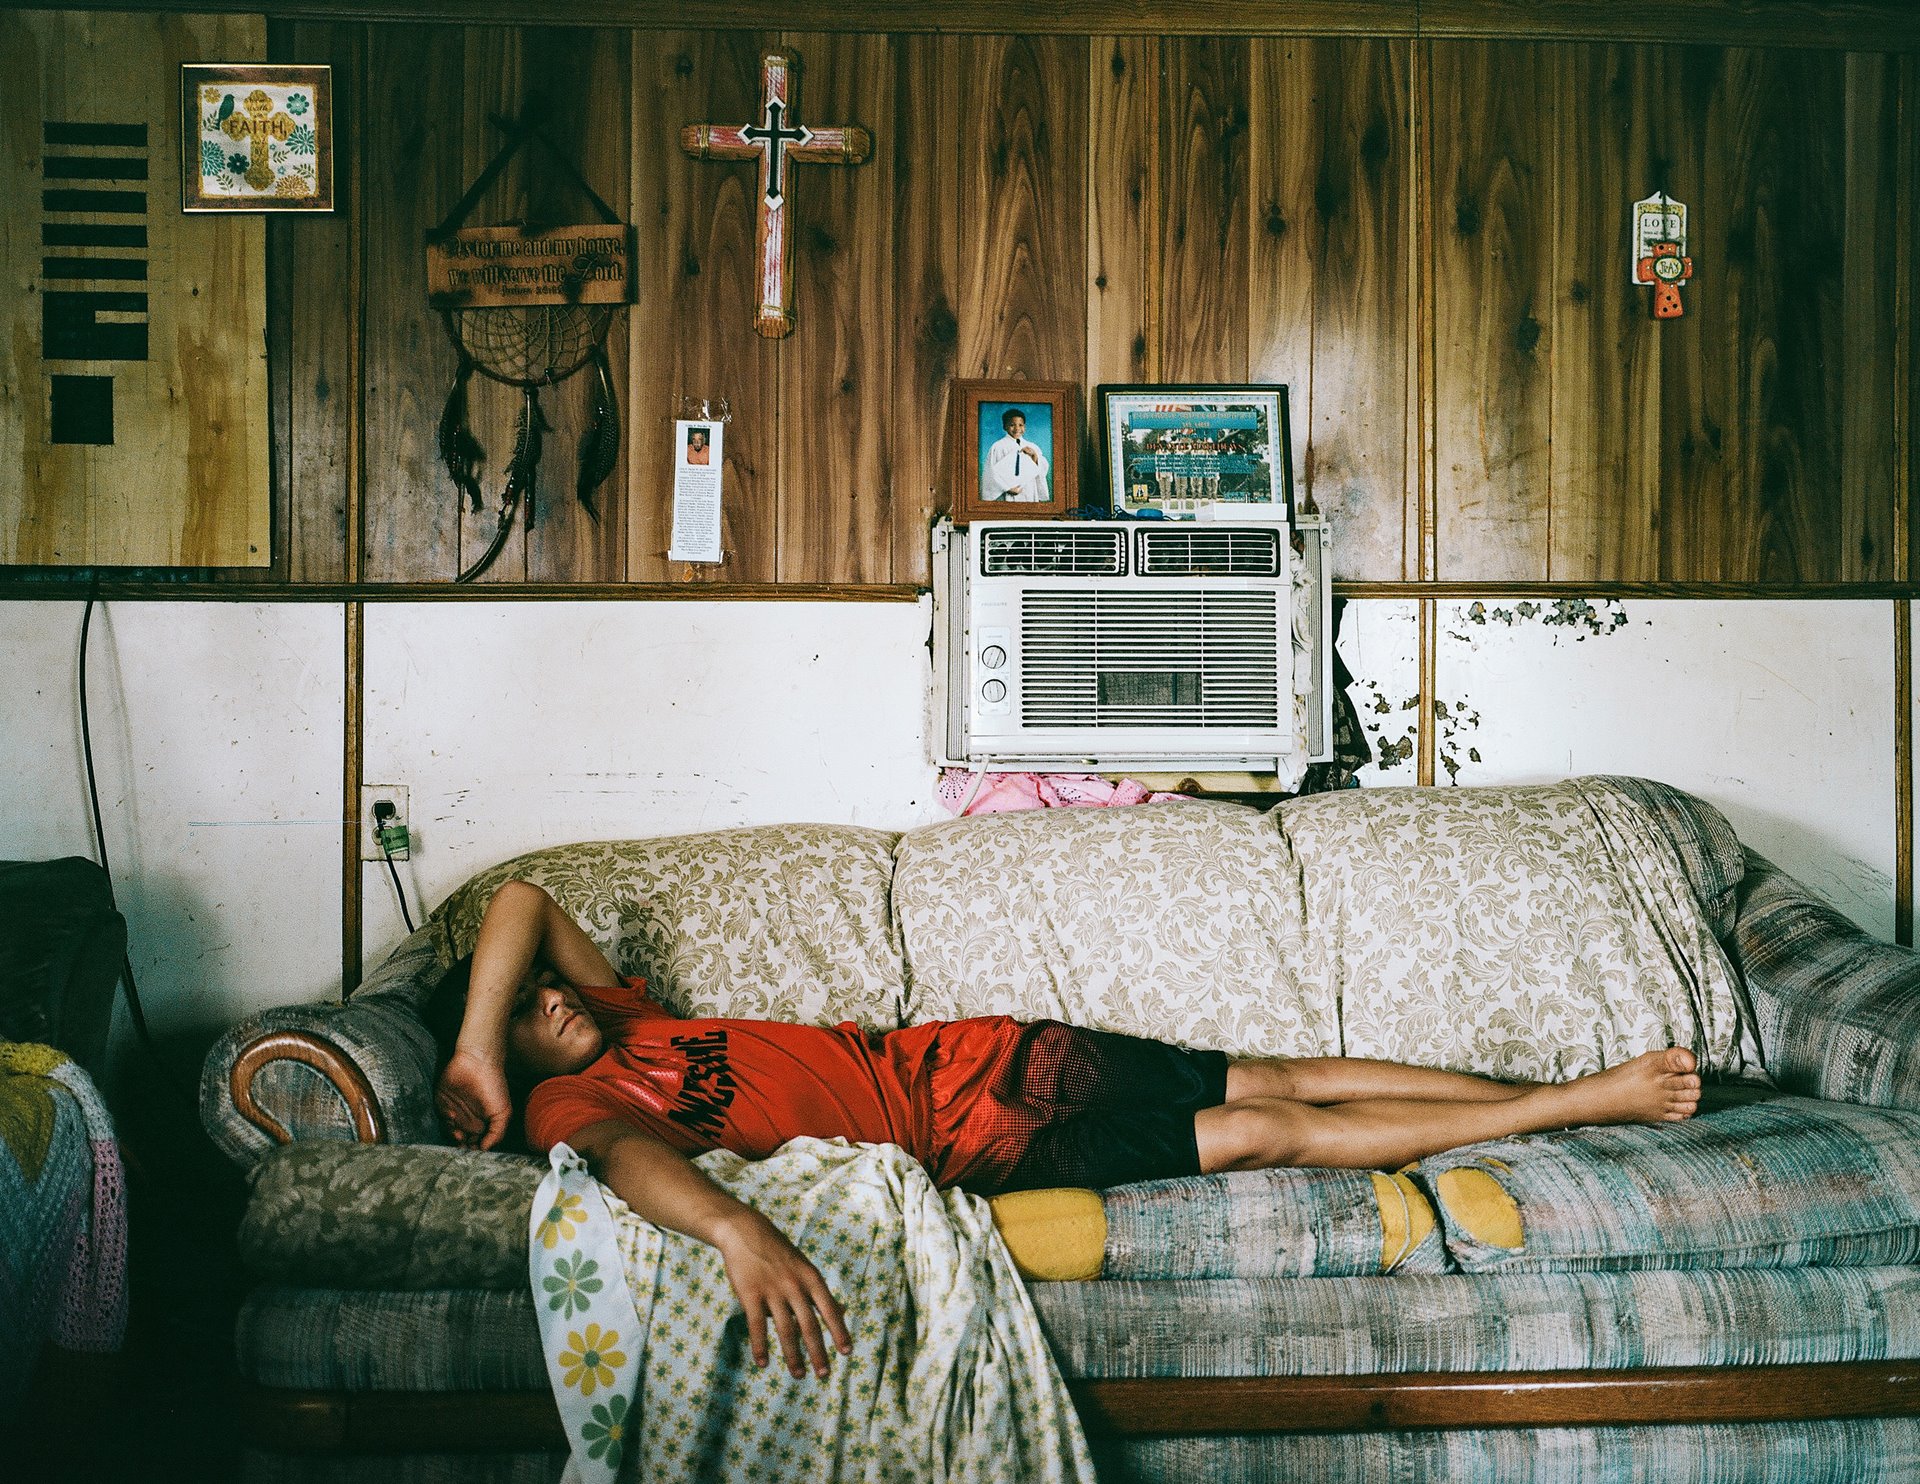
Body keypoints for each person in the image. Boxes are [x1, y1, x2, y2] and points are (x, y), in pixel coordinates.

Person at [434, 880, 1702, 1384]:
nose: (554, 999)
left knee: (1277, 1067)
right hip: (975, 1154)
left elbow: (521, 900)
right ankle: (1570, 1105)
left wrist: (482, 1037)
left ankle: (1543, 1084)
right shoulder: (575, 1103)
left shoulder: (615, 1014)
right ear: (530, 1082)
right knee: (1260, 1130)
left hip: (966, 1055)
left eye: (544, 995)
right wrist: (735, 1229)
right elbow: (631, 1165)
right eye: (535, 1017)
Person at [982, 409, 1050, 502]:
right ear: (1004, 426)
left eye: (1020, 425)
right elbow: (990, 472)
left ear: (1024, 427)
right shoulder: (998, 447)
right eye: (1012, 425)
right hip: (1007, 490)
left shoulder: (1032, 447)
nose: (1017, 428)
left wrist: (1034, 456)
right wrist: (1007, 488)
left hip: (1029, 490)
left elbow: (1042, 469)